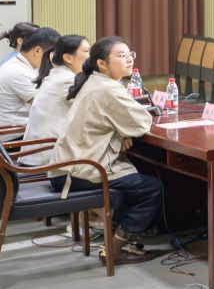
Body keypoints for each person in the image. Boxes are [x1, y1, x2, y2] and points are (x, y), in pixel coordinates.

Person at [53, 36, 166, 263]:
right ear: (102, 64)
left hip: (67, 165)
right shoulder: (108, 89)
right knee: (151, 188)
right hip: (80, 170)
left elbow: (125, 121)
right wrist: (124, 130)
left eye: (130, 55)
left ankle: (116, 239)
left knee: (134, 179)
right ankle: (115, 250)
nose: (129, 60)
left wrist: (122, 131)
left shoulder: (96, 82)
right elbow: (142, 122)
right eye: (121, 56)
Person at [21, 32, 87, 164]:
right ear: (68, 58)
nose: (92, 56)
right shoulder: (67, 80)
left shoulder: (56, 76)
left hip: (36, 155)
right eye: (87, 51)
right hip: (48, 159)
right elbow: (93, 112)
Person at [0, 25, 57, 127]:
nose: (52, 58)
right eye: (51, 54)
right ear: (37, 50)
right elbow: (46, 107)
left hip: (12, 126)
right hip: (12, 132)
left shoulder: (18, 64)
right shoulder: (19, 72)